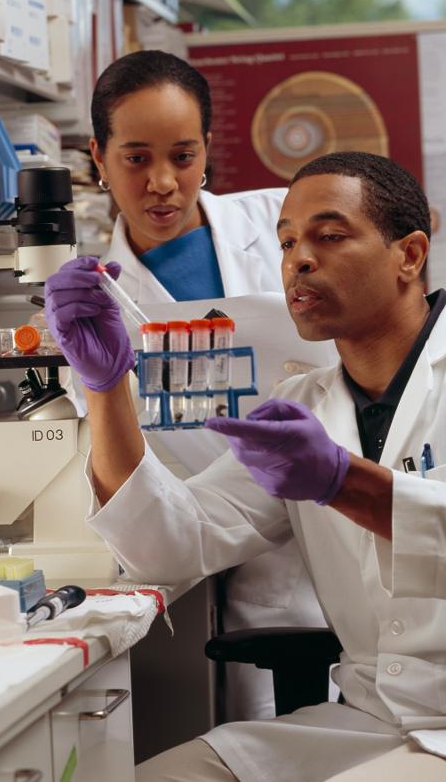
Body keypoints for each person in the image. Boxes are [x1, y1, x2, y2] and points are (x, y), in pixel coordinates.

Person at [45, 149, 446, 782]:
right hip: (366, 721)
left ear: (410, 255)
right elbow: (170, 544)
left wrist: (344, 482)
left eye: (329, 236)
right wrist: (106, 387)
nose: (299, 260)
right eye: (287, 243)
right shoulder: (302, 405)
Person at [87, 48, 326, 721]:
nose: (163, 182)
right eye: (136, 158)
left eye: (183, 156)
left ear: (208, 149)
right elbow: (112, 452)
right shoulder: (97, 302)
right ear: (98, 157)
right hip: (220, 546)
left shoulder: (284, 225)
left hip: (342, 518)